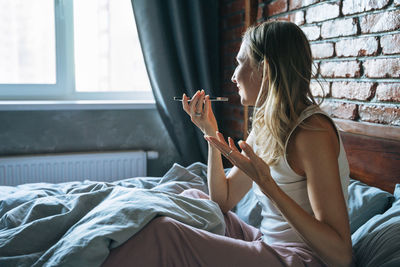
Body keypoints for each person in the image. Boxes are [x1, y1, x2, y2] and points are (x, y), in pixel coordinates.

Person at [103, 21, 353, 267]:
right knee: (191, 198)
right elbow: (222, 201)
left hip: (301, 258)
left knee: (163, 233)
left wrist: (268, 185)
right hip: (269, 243)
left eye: (240, 62)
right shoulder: (269, 125)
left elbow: (340, 256)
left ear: (265, 69)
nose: (234, 76)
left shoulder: (312, 133)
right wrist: (210, 132)